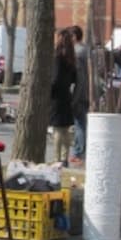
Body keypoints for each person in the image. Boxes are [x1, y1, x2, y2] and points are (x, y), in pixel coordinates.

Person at [49, 27, 77, 166]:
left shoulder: (57, 57)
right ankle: (65, 158)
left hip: (57, 96)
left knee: (57, 129)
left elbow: (55, 78)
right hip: (66, 94)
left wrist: (50, 91)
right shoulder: (71, 57)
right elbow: (73, 78)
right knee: (65, 129)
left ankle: (56, 158)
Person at [70, 25, 89, 164]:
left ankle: (79, 152)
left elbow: (79, 78)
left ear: (74, 37)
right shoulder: (86, 49)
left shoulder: (77, 52)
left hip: (80, 93)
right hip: (86, 92)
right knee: (81, 123)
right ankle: (80, 151)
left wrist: (75, 97)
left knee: (80, 124)